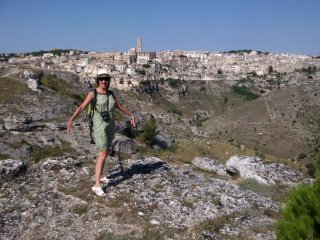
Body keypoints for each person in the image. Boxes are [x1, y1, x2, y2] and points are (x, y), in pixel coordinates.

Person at [67, 69, 136, 196]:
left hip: (110, 126)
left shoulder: (111, 94)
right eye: (101, 79)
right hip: (99, 127)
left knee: (105, 151)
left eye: (106, 79)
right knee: (103, 154)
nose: (104, 81)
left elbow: (119, 106)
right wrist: (71, 120)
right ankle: (97, 185)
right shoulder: (93, 93)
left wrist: (131, 115)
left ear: (109, 80)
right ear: (98, 80)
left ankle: (102, 176)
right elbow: (82, 107)